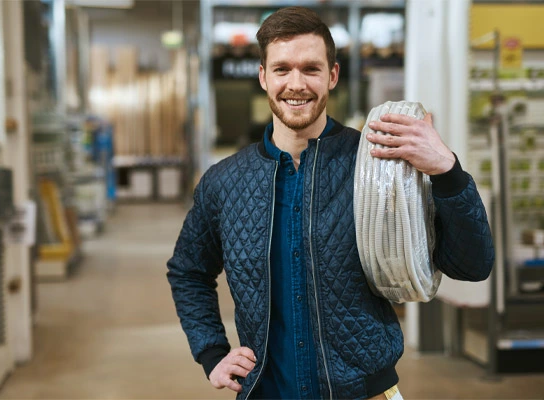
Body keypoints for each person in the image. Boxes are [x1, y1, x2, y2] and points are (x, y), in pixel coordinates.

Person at [167, 6, 494, 400]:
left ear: (332, 76)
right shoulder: (224, 182)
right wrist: (212, 351)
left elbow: (473, 266)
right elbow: (188, 271)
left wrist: (447, 171)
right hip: (267, 392)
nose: (296, 83)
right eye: (282, 69)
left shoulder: (381, 164)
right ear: (263, 77)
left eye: (311, 69)